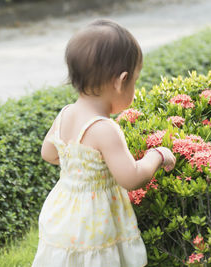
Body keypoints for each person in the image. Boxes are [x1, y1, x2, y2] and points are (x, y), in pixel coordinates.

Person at [32, 19, 176, 267]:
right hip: (93, 221)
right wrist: (157, 155)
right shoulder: (105, 129)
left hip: (64, 214)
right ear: (121, 81)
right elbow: (130, 178)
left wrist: (78, 165)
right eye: (135, 81)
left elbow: (48, 153)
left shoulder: (65, 114)